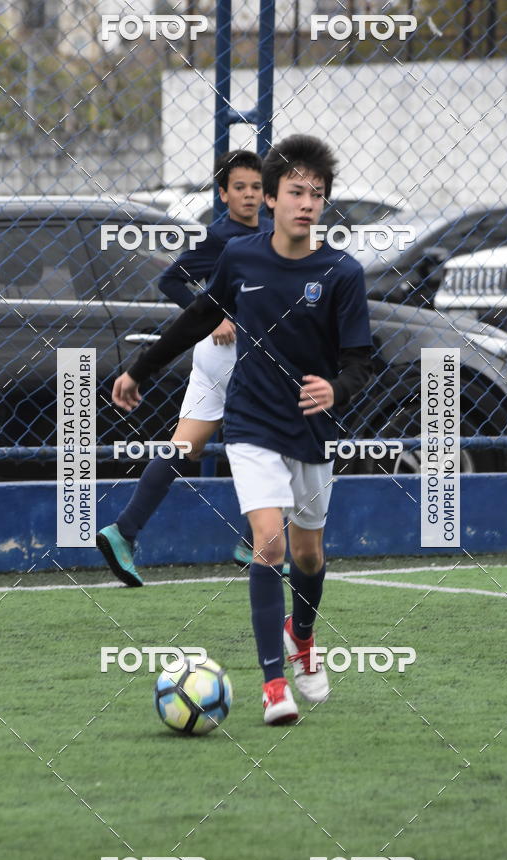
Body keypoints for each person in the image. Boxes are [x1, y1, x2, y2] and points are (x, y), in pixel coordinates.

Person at [110, 135, 373, 725]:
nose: (307, 203)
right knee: (270, 544)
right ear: (274, 200)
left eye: (318, 194)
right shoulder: (242, 258)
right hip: (253, 420)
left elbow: (360, 358)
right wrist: (139, 369)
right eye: (296, 192)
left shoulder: (343, 272)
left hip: (312, 426)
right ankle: (273, 686)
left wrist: (339, 389)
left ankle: (300, 638)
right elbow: (198, 317)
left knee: (308, 553)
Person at [97, 149, 280, 586]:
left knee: (185, 448)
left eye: (256, 187)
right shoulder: (220, 238)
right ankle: (255, 543)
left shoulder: (272, 232)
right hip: (229, 357)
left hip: (236, 357)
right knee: (272, 442)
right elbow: (171, 280)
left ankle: (123, 531)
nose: (250, 195)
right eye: (240, 188)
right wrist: (216, 317)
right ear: (222, 193)